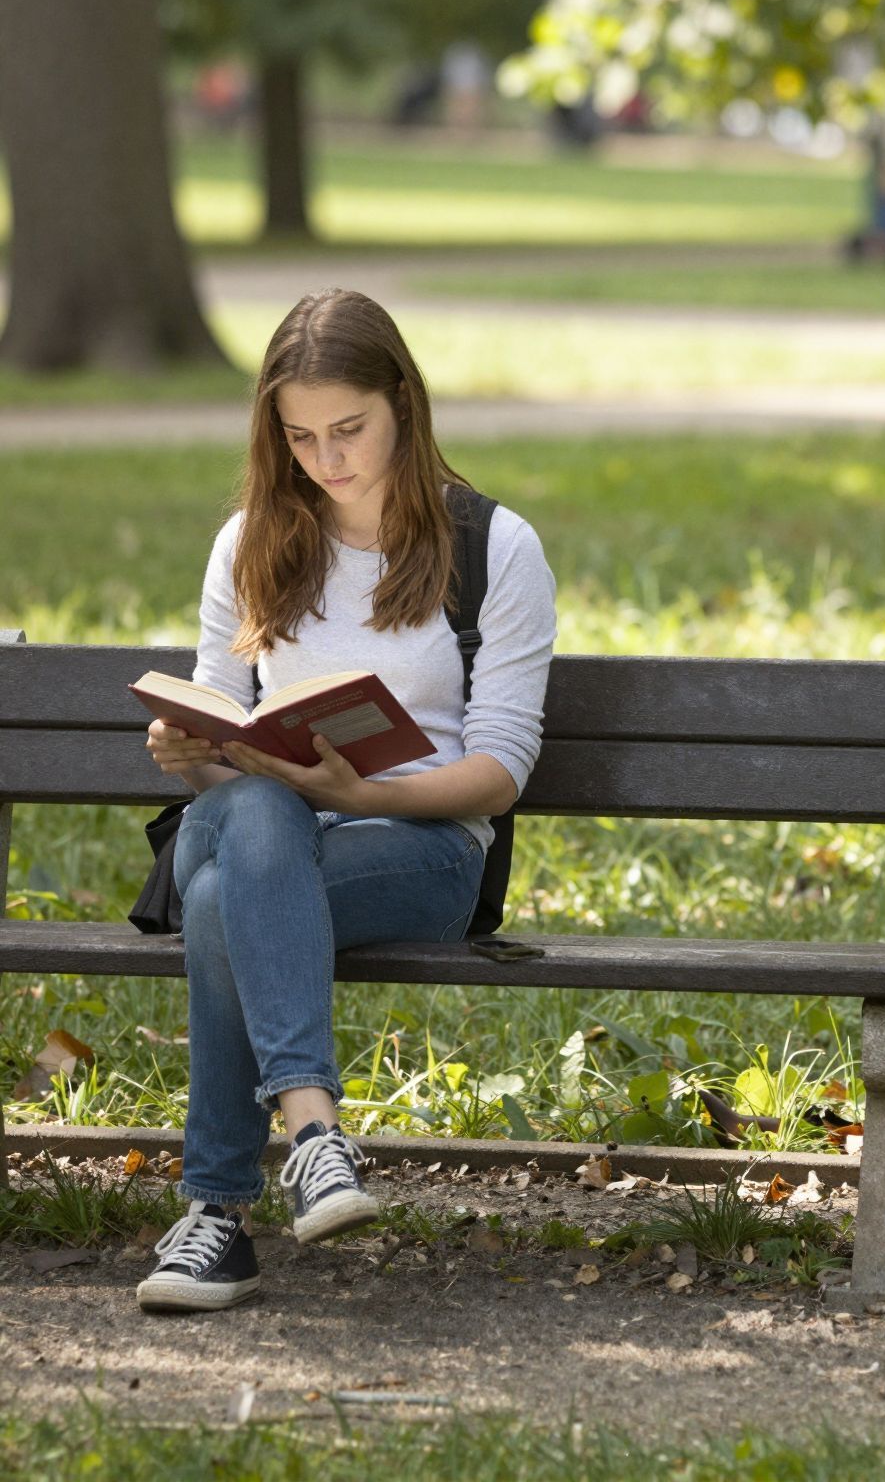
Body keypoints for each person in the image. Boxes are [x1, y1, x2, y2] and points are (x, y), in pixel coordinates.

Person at [135, 289, 556, 1313]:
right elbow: (223, 718)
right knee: (256, 817)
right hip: (248, 822)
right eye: (300, 436)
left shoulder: (493, 547)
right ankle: (318, 1136)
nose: (326, 457)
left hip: (414, 846)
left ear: (402, 403)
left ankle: (218, 1215)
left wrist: (360, 788)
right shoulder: (251, 541)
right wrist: (190, 750)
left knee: (241, 891)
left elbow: (501, 767)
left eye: (349, 428)